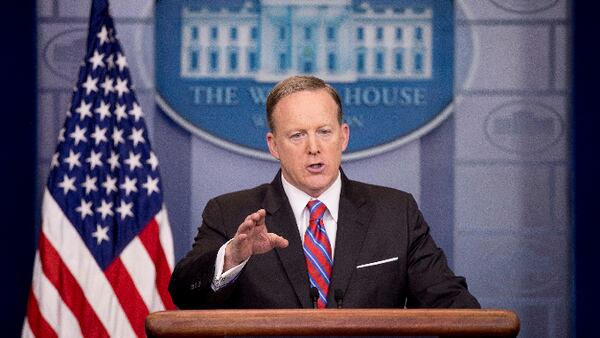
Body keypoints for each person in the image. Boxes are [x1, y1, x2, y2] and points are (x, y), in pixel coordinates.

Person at [168, 75, 480, 309]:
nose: (314, 148)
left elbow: (449, 302)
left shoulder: (396, 212)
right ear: (273, 145)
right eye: (297, 135)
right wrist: (233, 256)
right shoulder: (230, 214)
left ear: (343, 137)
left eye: (324, 132)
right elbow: (184, 295)